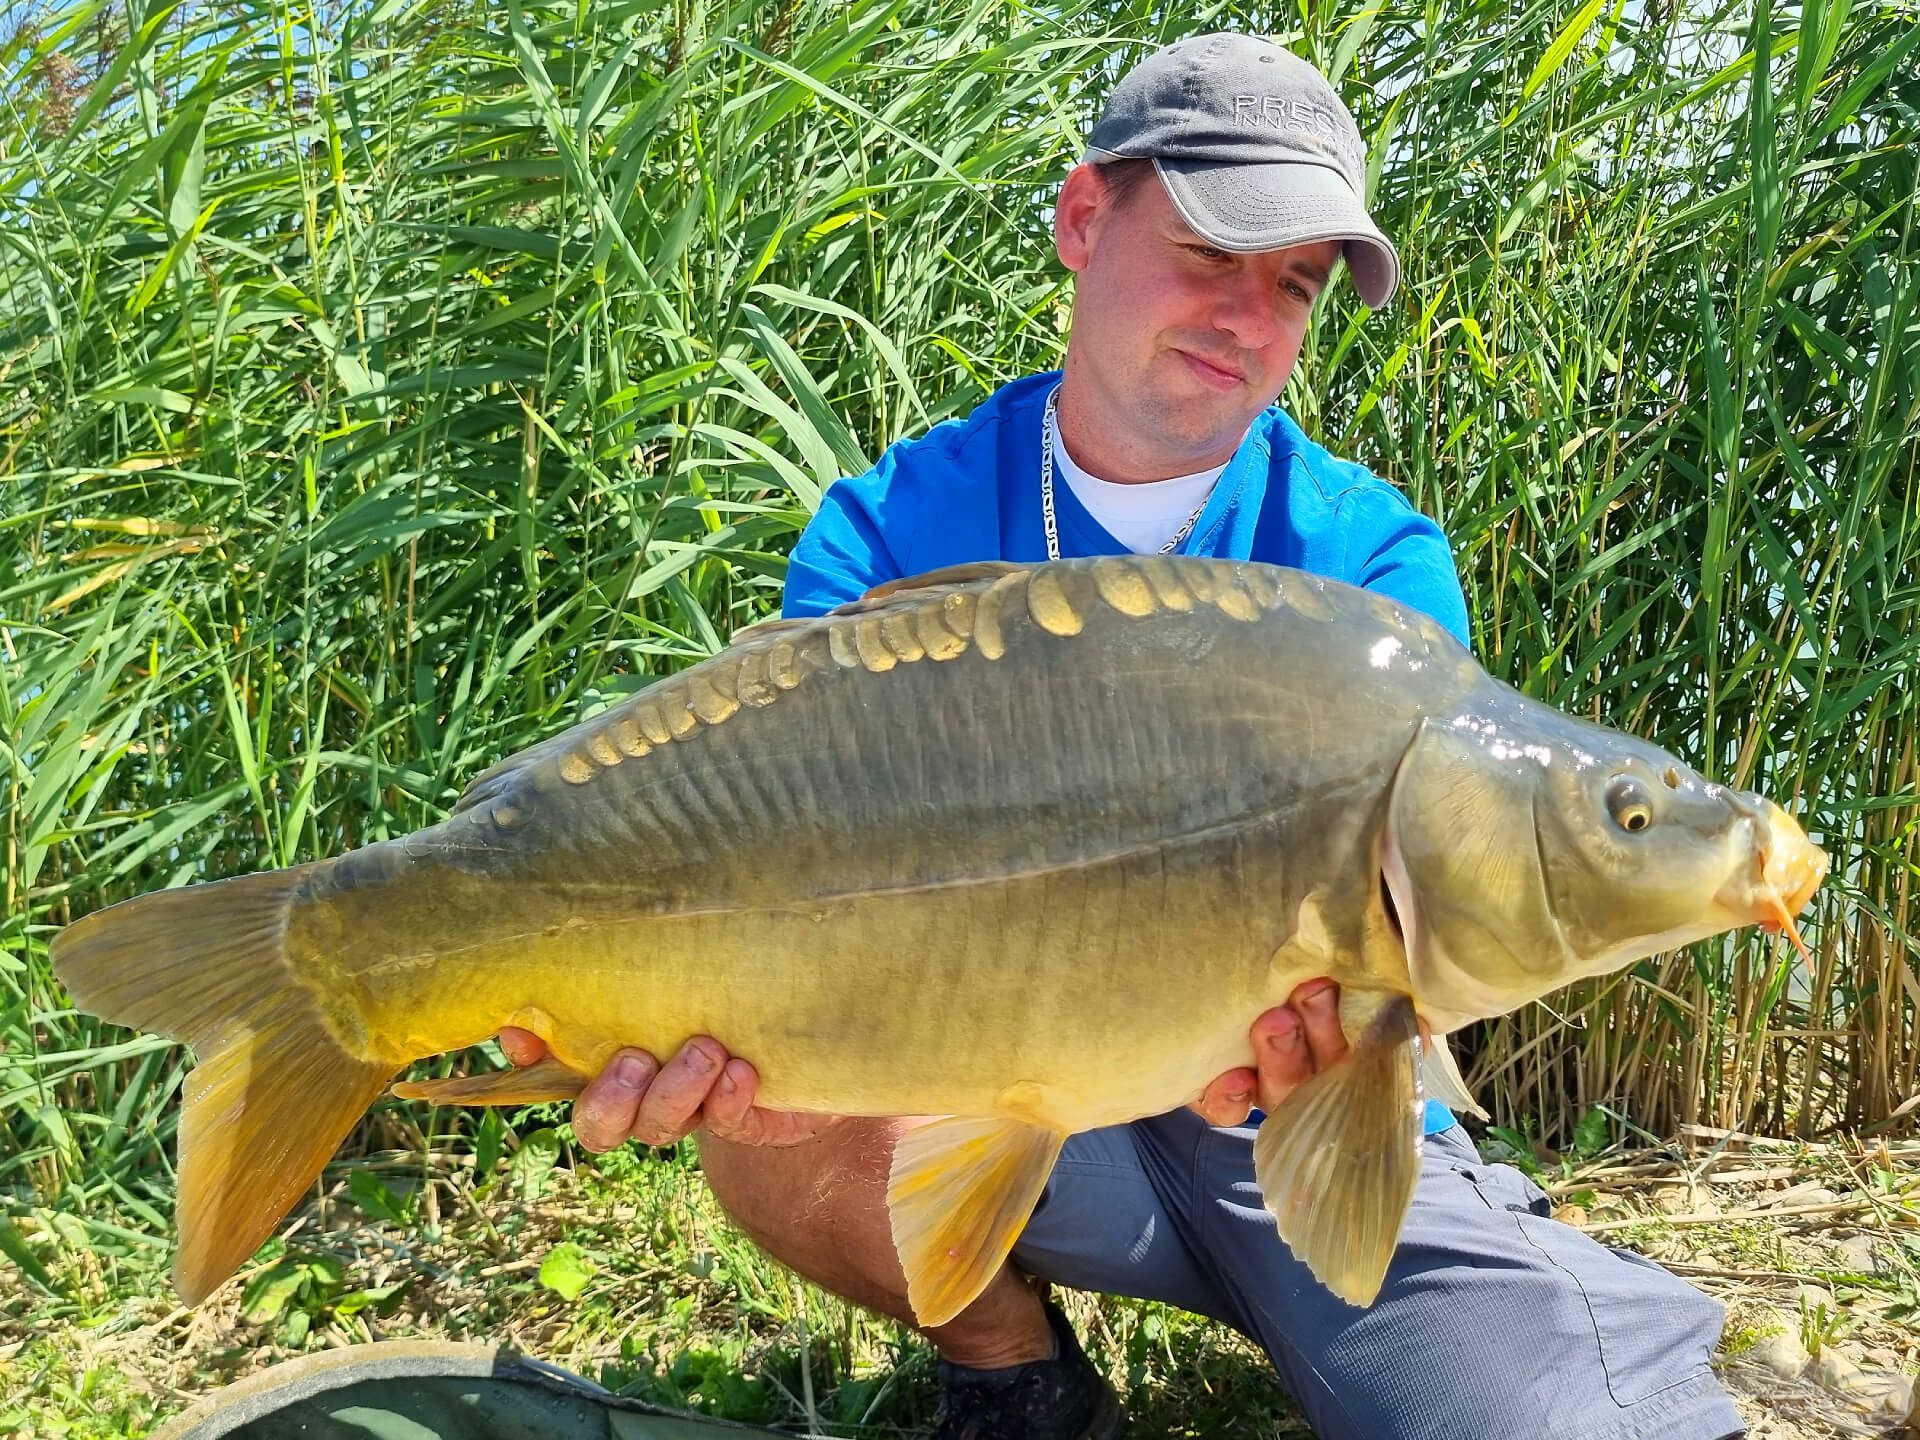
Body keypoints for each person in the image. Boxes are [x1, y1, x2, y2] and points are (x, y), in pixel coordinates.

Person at [501, 33, 1746, 1440]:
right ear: (1085, 220)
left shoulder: (1370, 567)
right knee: (768, 1121)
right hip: (1004, 1097)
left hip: (1292, 1118)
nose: (1248, 316)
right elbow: (780, 870)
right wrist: (755, 1069)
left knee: (1539, 1423)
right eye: (1215, 253)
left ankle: (1510, 1305)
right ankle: (1009, 1371)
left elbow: (1450, 927)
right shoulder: (890, 525)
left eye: (1293, 286)